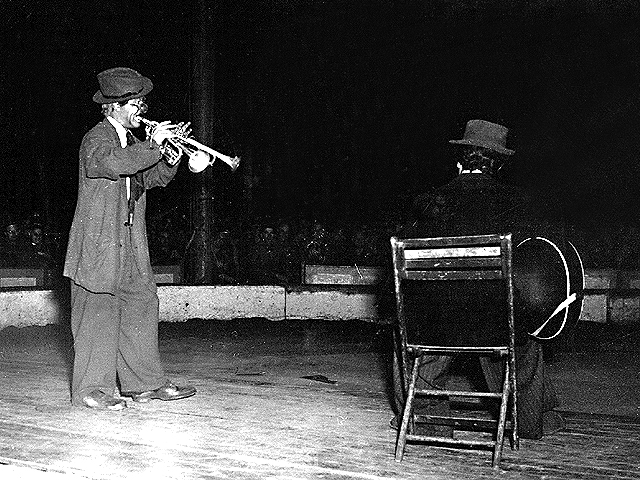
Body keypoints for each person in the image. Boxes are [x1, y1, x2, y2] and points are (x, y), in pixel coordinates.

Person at [396, 119, 564, 440]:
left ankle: (428, 420)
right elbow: (535, 267)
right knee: (522, 339)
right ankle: (530, 421)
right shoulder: (517, 203)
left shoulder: (428, 203)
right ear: (498, 166)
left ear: (460, 162)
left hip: (434, 328)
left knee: (417, 341)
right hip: (496, 326)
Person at [63, 67, 196, 410]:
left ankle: (146, 384)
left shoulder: (133, 143)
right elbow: (110, 164)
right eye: (135, 104)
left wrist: (172, 157)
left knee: (141, 305)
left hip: (131, 243)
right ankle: (93, 390)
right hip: (99, 244)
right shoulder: (96, 139)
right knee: (97, 312)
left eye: (142, 103)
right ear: (113, 107)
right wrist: (153, 146)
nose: (142, 110)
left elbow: (151, 177)